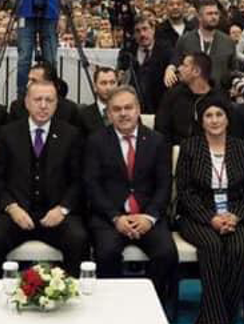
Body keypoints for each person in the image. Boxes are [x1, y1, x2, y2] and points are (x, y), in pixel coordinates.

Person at [83, 85, 177, 319]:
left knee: (166, 254)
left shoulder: (157, 141)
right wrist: (116, 218)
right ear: (109, 114)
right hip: (110, 218)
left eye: (128, 108)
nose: (123, 113)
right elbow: (92, 186)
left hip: (147, 216)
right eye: (117, 109)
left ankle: (151, 310)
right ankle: (113, 312)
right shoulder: (96, 141)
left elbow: (164, 185)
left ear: (138, 110)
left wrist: (149, 217)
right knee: (106, 254)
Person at [0, 78, 88, 276]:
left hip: (56, 213)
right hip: (16, 212)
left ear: (57, 104)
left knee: (79, 239)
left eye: (49, 100)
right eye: (38, 99)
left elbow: (78, 181)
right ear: (27, 102)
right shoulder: (7, 133)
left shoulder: (71, 135)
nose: (43, 105)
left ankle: (72, 292)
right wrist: (12, 208)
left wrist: (62, 209)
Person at [174, 94, 244, 324]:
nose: (214, 120)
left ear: (227, 119)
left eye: (219, 115)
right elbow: (185, 191)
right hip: (197, 215)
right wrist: (210, 218)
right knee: (211, 246)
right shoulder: (190, 147)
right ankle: (220, 319)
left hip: (234, 213)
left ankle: (214, 317)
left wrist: (236, 216)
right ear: (201, 122)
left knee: (240, 248)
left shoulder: (242, 148)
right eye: (208, 116)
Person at [6, 0, 69, 97]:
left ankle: (50, 95)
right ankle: (22, 97)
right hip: (26, 13)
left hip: (50, 14)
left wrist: (62, 16)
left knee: (51, 60)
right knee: (24, 58)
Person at [169, 0, 238, 90]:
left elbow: (234, 71)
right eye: (209, 14)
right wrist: (170, 69)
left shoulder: (228, 42)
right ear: (199, 17)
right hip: (190, 94)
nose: (214, 17)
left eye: (216, 13)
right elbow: (176, 63)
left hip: (219, 94)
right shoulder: (185, 40)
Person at [117, 16, 174, 113]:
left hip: (160, 106)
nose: (142, 34)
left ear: (153, 30)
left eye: (145, 29)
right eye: (137, 31)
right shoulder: (127, 52)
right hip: (135, 107)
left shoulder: (166, 51)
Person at [156, 53, 216, 144]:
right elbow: (161, 129)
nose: (179, 68)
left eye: (184, 65)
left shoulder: (218, 99)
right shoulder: (173, 95)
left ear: (196, 71)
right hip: (177, 148)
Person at [78, 66, 119, 134]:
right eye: (103, 83)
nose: (108, 87)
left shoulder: (126, 111)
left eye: (112, 83)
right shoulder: (84, 116)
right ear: (94, 87)